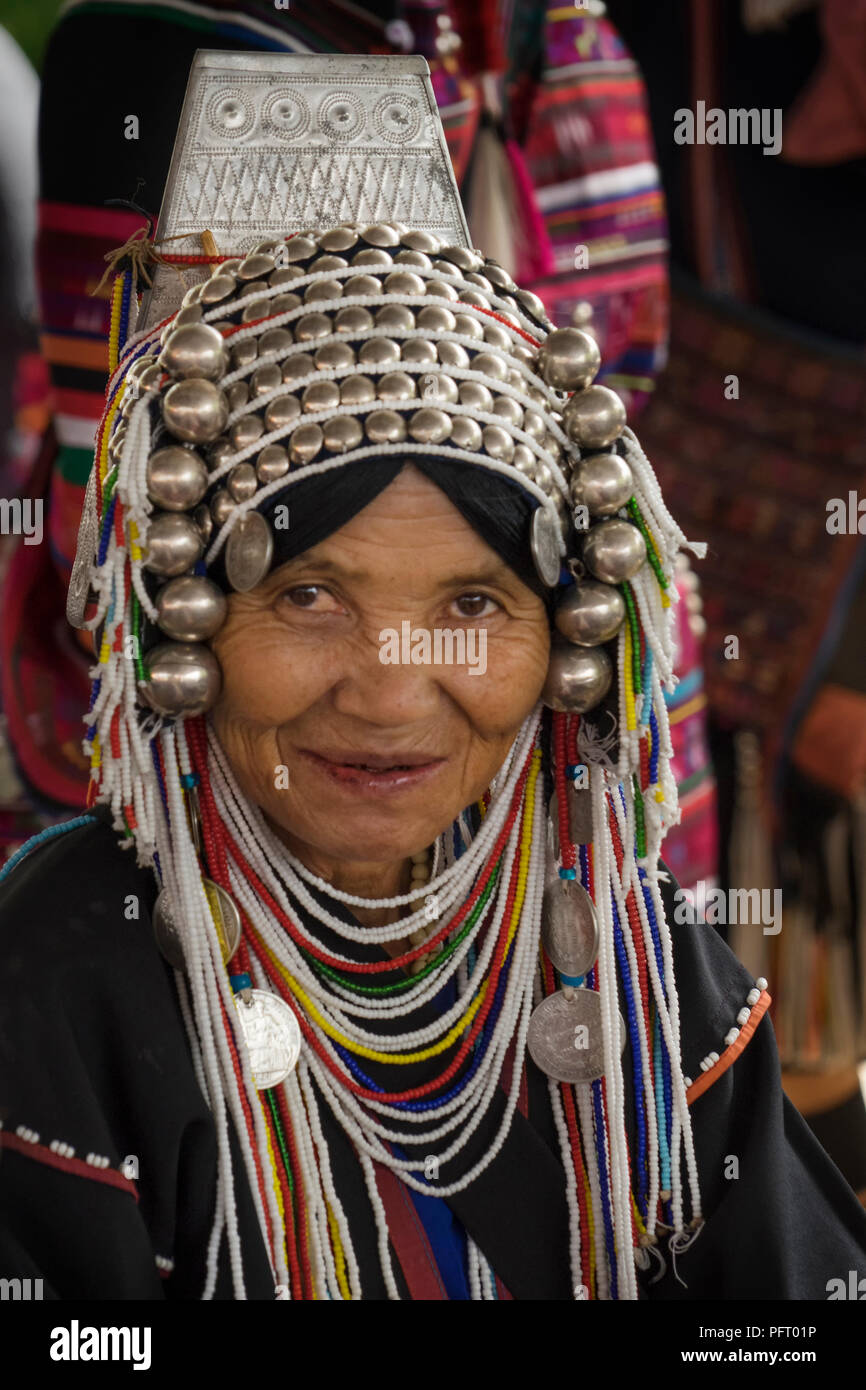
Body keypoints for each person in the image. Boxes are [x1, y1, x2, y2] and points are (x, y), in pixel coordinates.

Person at [1, 54, 865, 1299]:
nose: (393, 690)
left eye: (472, 604)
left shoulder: (626, 955)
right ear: (179, 625)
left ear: (569, 640)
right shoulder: (62, 975)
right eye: (307, 597)